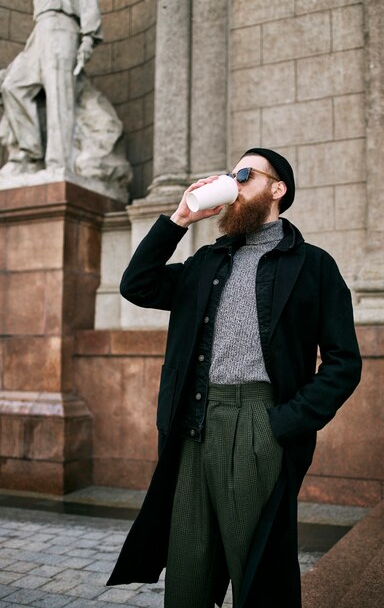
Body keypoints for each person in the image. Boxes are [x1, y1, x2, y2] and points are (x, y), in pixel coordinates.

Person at [107, 147, 362, 608]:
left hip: (258, 426)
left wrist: (281, 424)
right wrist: (180, 218)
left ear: (277, 188)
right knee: (187, 570)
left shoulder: (314, 266)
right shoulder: (207, 262)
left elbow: (345, 362)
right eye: (232, 174)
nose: (234, 182)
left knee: (256, 572)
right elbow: (136, 285)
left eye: (243, 174)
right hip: (191, 426)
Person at [0, 0, 102, 175]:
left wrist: (88, 38)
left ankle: (59, 163)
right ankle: (31, 152)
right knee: (12, 86)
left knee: (58, 94)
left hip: (64, 29)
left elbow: (89, 4)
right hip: (39, 33)